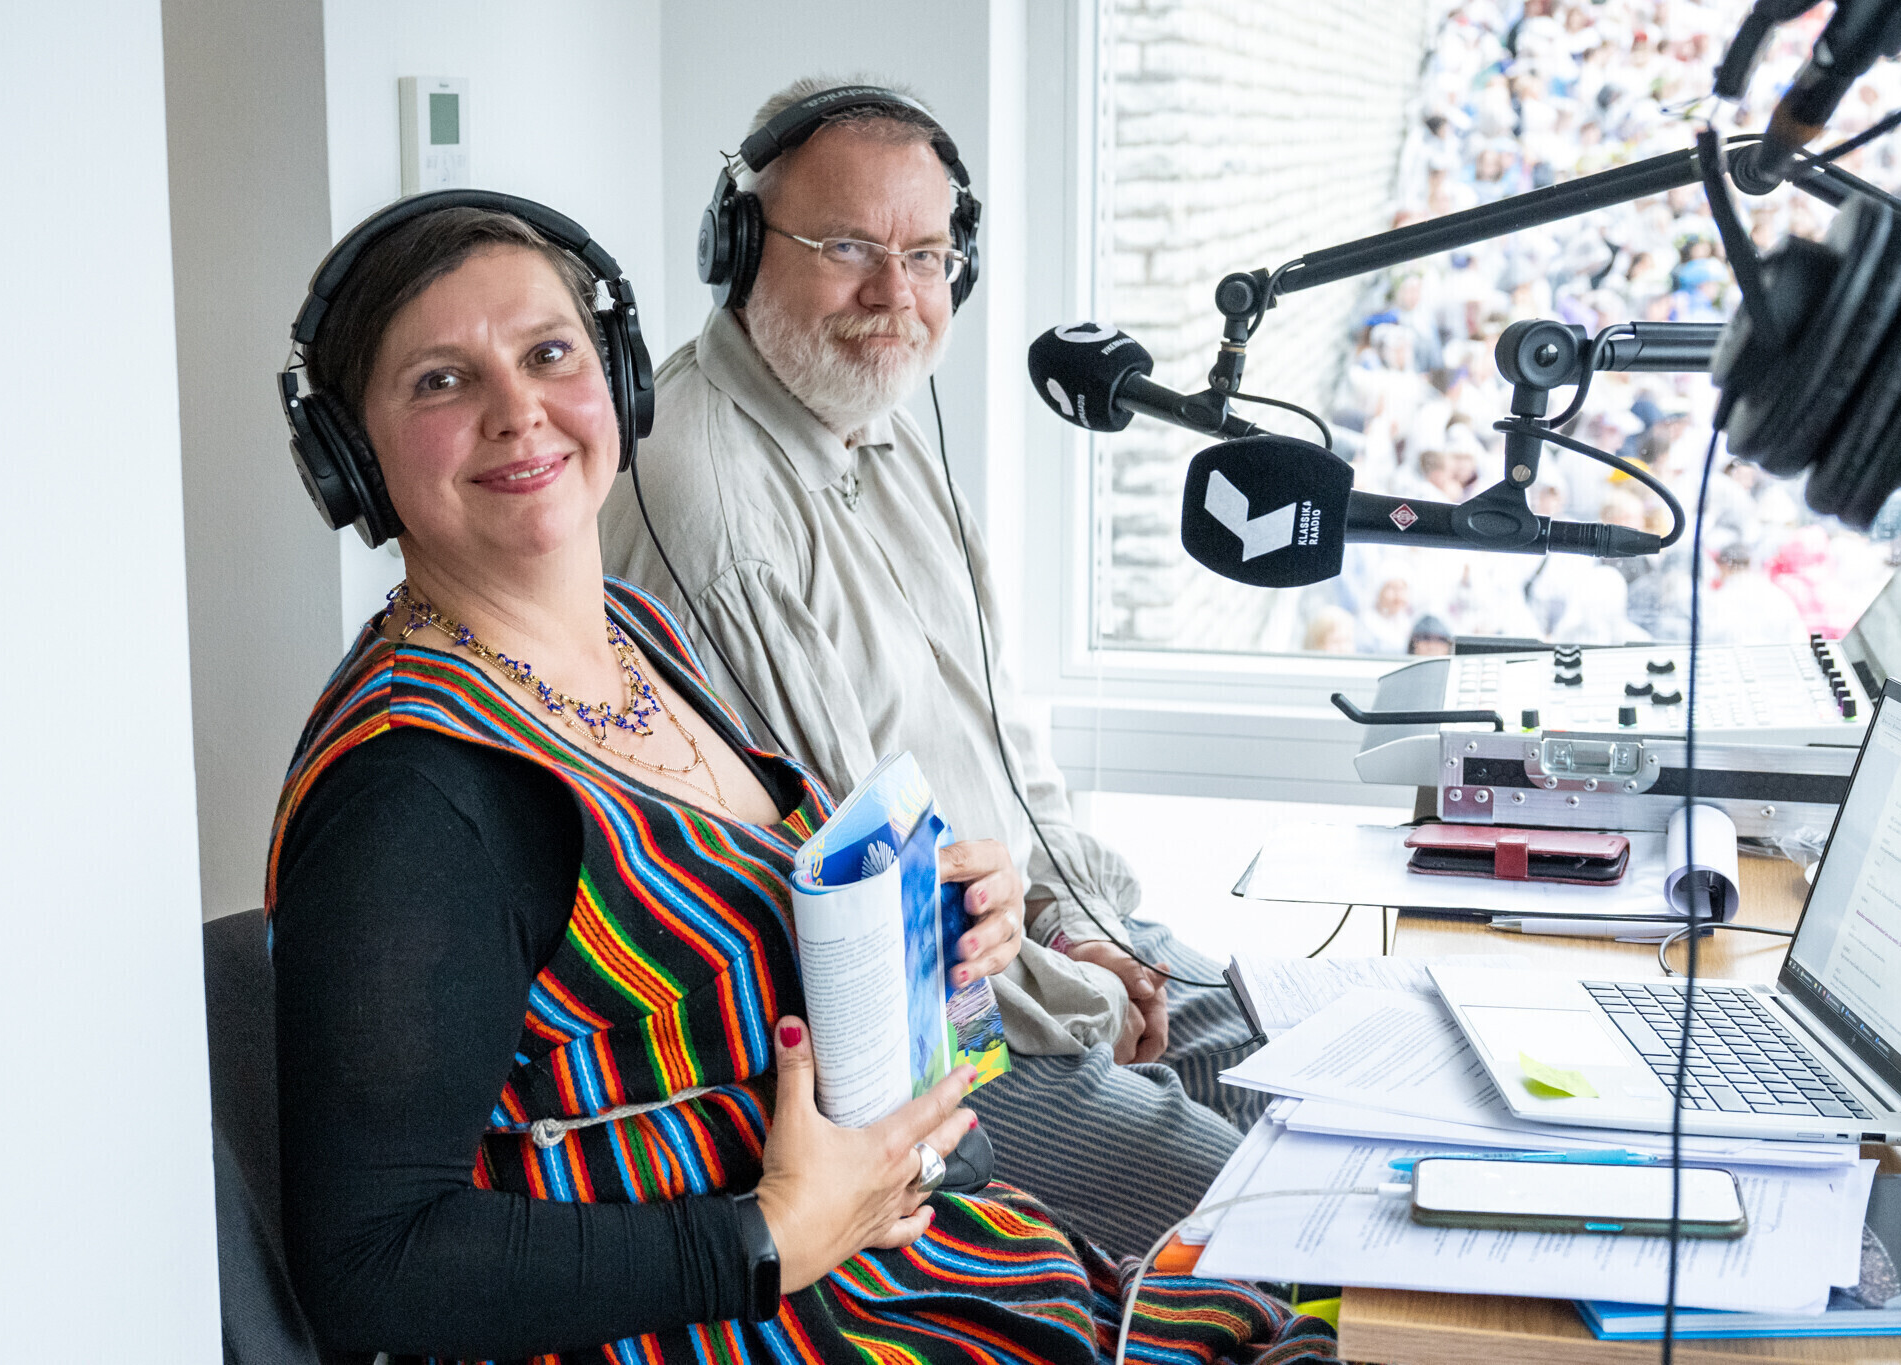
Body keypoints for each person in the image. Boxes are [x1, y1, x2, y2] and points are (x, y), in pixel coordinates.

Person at [269, 197, 1336, 1363]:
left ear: (616, 376)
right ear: (349, 459)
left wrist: (934, 946)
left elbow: (767, 1029)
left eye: (549, 353)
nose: (517, 409)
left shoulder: (635, 638)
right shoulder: (414, 792)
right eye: (440, 380)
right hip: (759, 1328)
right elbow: (371, 1271)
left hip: (935, 1275)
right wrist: (765, 1238)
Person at [597, 80, 1261, 1256]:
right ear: (736, 249)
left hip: (1032, 949)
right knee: (1275, 1216)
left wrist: (1080, 926)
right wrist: (1075, 983)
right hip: (932, 1041)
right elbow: (869, 906)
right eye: (848, 248)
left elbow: (1003, 746)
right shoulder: (708, 502)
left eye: (926, 257)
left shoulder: (884, 428)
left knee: (1308, 1091)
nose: (894, 296)